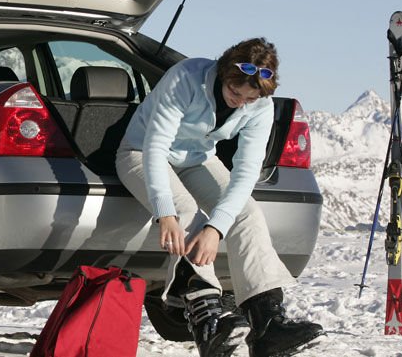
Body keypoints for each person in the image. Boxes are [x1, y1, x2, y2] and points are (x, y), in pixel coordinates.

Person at [115, 38, 323, 357]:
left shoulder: (259, 104)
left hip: (197, 158)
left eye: (249, 97)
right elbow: (155, 148)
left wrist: (216, 228)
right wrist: (165, 213)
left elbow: (246, 170)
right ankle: (208, 324)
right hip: (140, 154)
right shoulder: (185, 78)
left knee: (247, 213)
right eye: (234, 92)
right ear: (224, 72)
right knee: (186, 214)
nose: (240, 102)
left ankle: (267, 326)